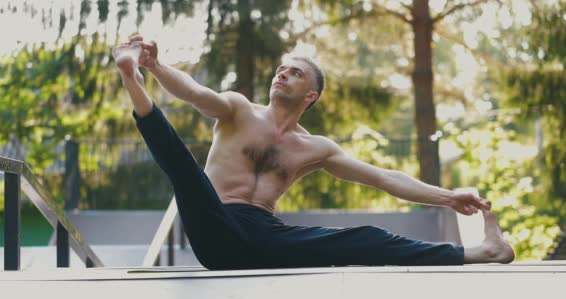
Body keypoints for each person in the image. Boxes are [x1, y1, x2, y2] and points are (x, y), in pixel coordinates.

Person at [112, 35, 514, 270]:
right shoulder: (237, 109)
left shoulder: (316, 148)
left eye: (294, 72)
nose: (281, 74)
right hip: (212, 222)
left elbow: (385, 178)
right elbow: (194, 93)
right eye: (279, 70)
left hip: (264, 238)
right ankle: (132, 79)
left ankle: (481, 252)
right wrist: (156, 67)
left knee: (365, 238)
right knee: (185, 170)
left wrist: (448, 197)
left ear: (311, 95)